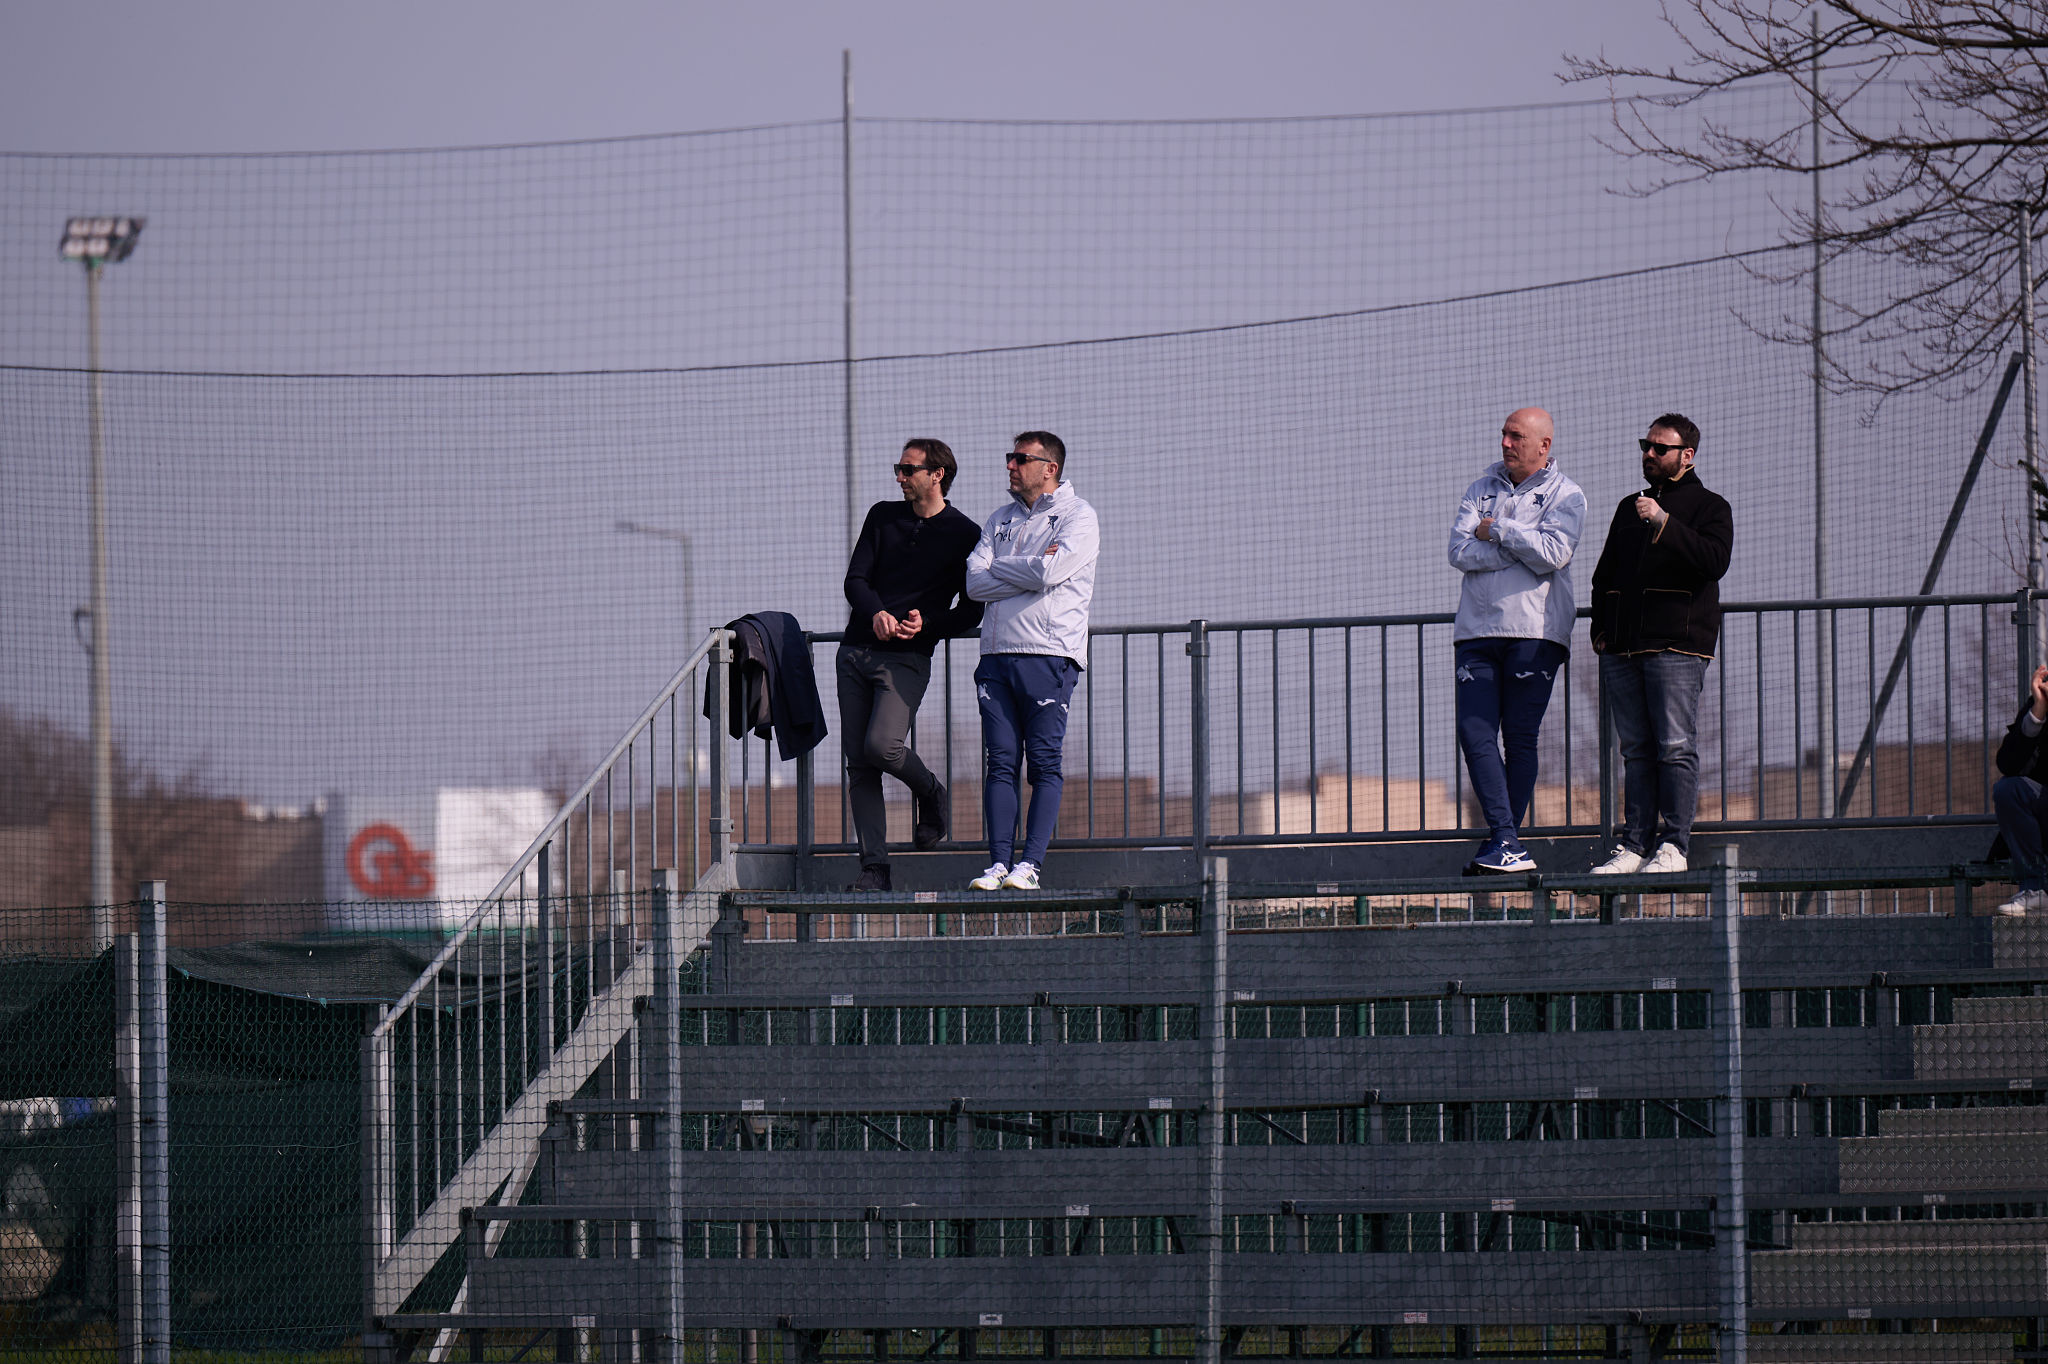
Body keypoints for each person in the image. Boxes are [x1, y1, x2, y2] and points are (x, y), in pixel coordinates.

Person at [1588, 413, 1734, 876]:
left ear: (1687, 456)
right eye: (1645, 446)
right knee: (1635, 750)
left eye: (1660, 448)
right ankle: (1634, 845)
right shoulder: (1628, 507)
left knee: (1674, 746)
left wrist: (1665, 521)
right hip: (1623, 648)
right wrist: (1601, 631)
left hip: (1676, 646)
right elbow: (1604, 574)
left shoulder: (1711, 507)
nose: (1649, 454)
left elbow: (1714, 561)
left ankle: (1673, 846)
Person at [837, 439, 984, 892]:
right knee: (860, 765)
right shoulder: (882, 516)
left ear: (937, 474)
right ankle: (875, 868)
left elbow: (971, 611)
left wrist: (928, 624)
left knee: (881, 746)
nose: (899, 477)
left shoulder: (966, 533)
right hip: (855, 652)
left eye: (908, 469)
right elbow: (855, 580)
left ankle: (931, 791)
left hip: (908, 658)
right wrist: (876, 613)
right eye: (897, 469)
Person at [1448, 407, 1586, 874]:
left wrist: (1499, 530)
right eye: (1504, 434)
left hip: (1534, 632)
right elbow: (1459, 551)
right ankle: (1507, 842)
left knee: (1520, 738)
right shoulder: (1479, 488)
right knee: (1474, 731)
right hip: (1475, 632)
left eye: (1516, 436)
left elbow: (1553, 553)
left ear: (1544, 445)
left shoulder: (1567, 494)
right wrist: (1518, 548)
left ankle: (1504, 843)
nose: (1506, 443)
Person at [963, 431, 1099, 892]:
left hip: (1048, 654)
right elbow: (974, 585)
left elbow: (1049, 571)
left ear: (1049, 468)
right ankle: (998, 864)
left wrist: (1003, 567)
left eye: (1020, 459)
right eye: (1010, 457)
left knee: (1043, 762)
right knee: (1000, 762)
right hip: (995, 657)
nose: (1010, 466)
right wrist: (1026, 569)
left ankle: (1030, 865)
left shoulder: (1078, 516)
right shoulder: (998, 518)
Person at [1991, 665, 2048, 916]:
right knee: (2009, 790)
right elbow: (2009, 765)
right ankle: (2036, 890)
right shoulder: (2040, 703)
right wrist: (2038, 712)